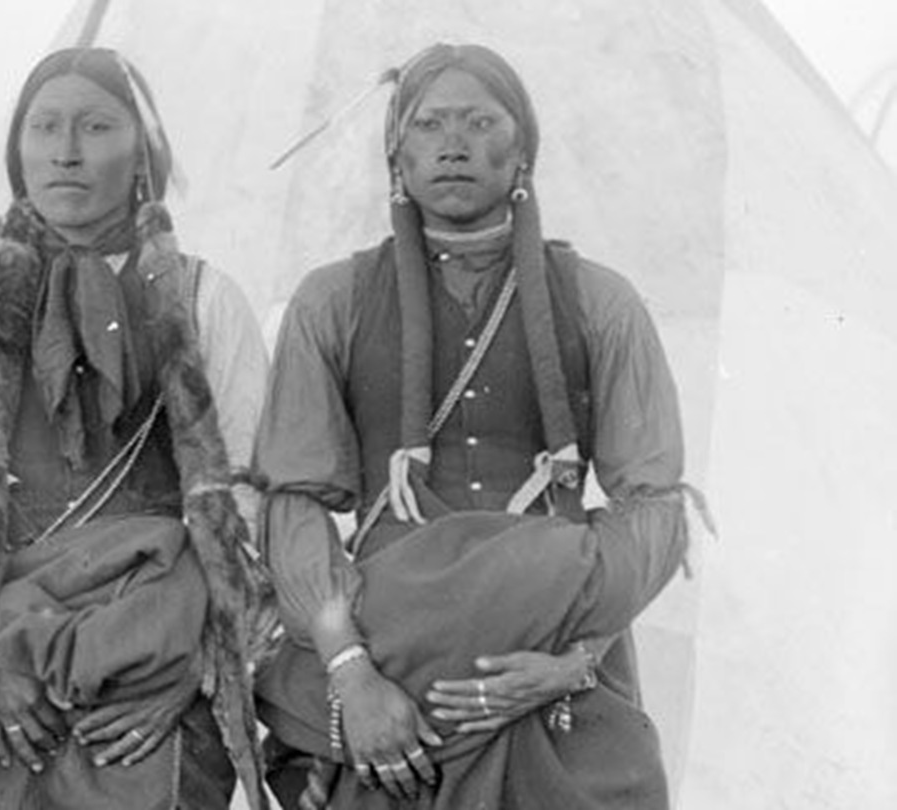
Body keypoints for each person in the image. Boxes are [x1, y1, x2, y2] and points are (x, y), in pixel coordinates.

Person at [254, 43, 698, 809]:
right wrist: (351, 676)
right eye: (428, 124)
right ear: (395, 153)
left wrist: (575, 662)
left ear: (523, 148)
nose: (453, 144)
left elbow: (653, 504)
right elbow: (291, 501)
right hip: (388, 659)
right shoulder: (332, 301)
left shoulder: (600, 302)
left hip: (550, 647)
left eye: (480, 122)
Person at [0, 47, 272, 810]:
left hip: (147, 672)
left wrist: (196, 662)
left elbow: (247, 496)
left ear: (143, 152)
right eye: (44, 127)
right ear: (16, 149)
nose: (65, 151)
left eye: (95, 126)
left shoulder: (205, 299)